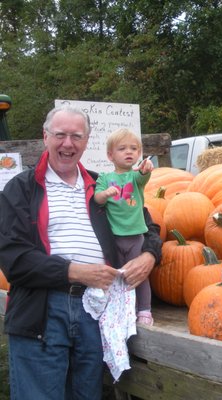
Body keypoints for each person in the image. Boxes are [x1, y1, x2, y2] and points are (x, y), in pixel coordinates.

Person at [0, 106, 162, 399]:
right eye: (60, 135)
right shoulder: (22, 189)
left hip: (95, 312)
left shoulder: (103, 185)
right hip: (42, 310)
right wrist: (74, 271)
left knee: (86, 394)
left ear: (87, 142)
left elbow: (148, 225)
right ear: (45, 137)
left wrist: (148, 257)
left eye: (76, 136)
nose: (68, 143)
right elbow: (14, 259)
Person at [94, 128, 155, 325]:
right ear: (110, 155)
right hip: (115, 237)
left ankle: (144, 309)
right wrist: (105, 194)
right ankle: (122, 308)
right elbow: (97, 199)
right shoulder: (104, 178)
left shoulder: (135, 177)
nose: (129, 152)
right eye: (122, 148)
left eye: (134, 148)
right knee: (118, 275)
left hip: (136, 236)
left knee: (138, 275)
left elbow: (144, 175)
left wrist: (146, 167)